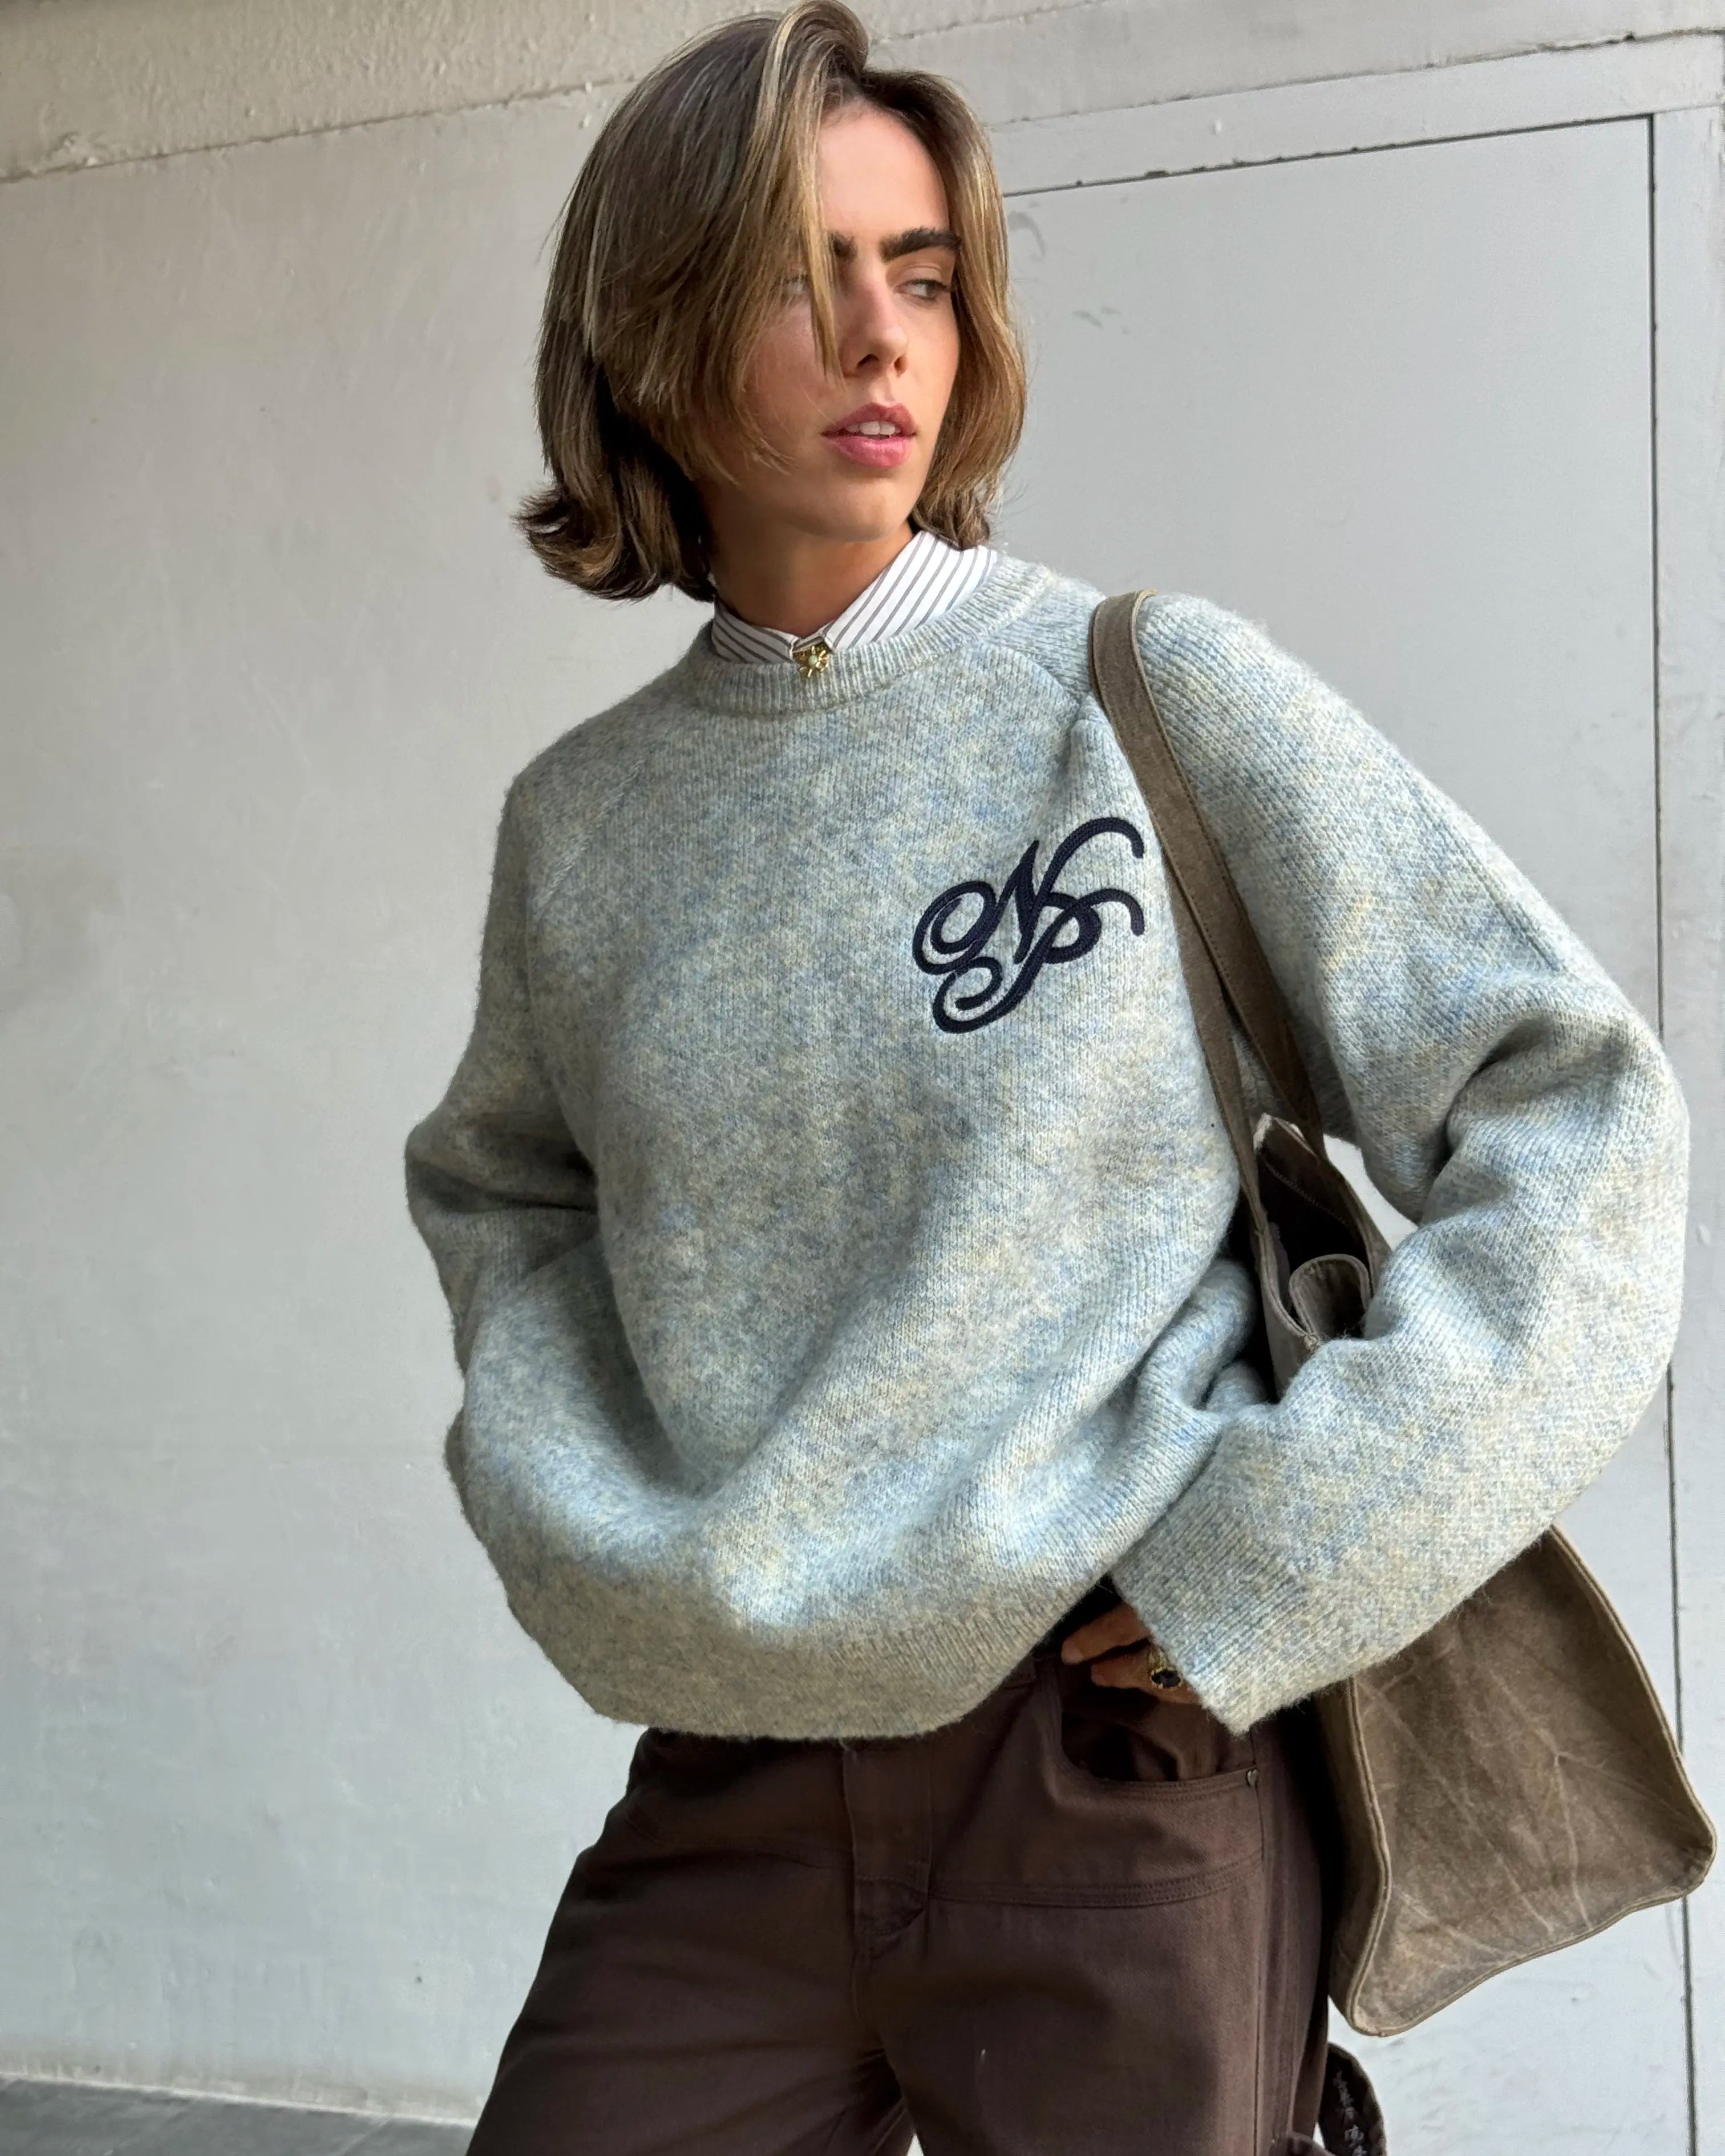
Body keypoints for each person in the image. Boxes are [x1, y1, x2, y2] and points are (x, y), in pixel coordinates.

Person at [402, 4, 1690, 2149]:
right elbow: (508, 1195)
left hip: (1114, 1763)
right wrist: (583, 1527)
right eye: (798, 276)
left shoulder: (1136, 687)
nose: (877, 337)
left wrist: (1280, 1551)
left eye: (918, 274)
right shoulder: (584, 827)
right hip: (731, 1767)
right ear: (650, 330)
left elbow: (1579, 1111)